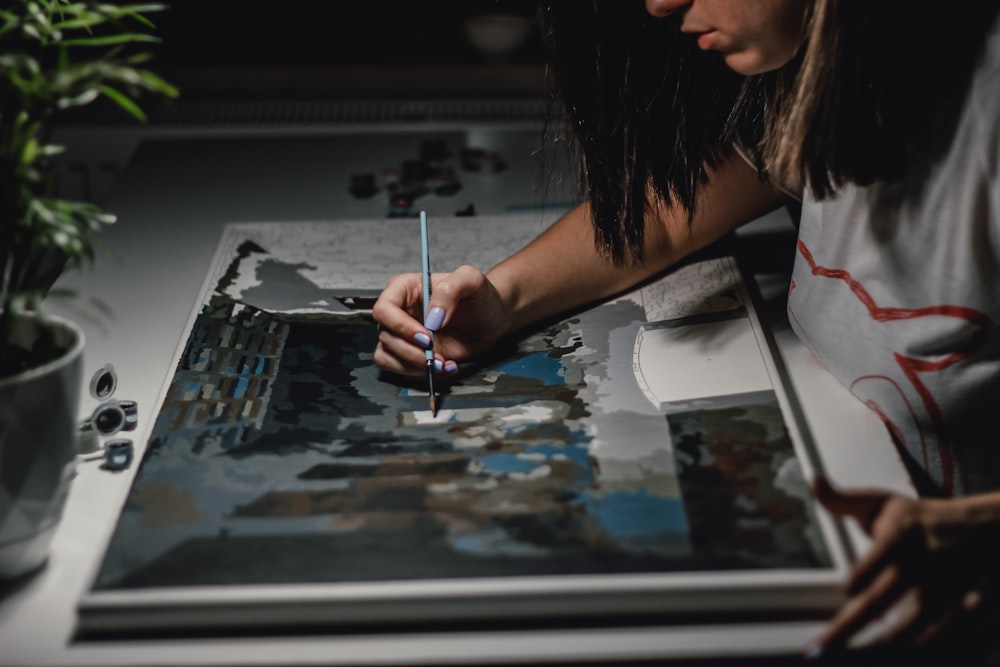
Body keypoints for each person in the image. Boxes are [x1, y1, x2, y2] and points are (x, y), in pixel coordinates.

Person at [373, 0, 1000, 660]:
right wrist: (503, 298)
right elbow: (670, 216)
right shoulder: (832, 81)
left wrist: (983, 533)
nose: (659, 4)